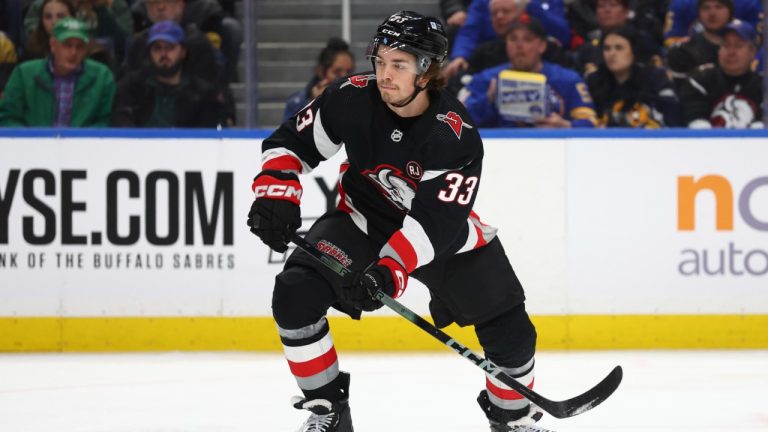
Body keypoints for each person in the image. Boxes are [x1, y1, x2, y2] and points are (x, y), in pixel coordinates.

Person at [247, 10, 544, 432]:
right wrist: (276, 194)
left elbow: (435, 222)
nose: (385, 74)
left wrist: (389, 271)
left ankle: (513, 421)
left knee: (512, 333)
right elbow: (289, 143)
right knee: (294, 294)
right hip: (362, 220)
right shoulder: (350, 97)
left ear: (427, 71)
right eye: (381, 61)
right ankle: (327, 411)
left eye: (399, 64)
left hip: (440, 237)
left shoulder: (454, 134)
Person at [462, 15, 597, 128]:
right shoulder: (486, 80)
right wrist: (488, 99)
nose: (519, 46)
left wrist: (565, 126)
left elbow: (591, 122)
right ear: (506, 44)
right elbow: (460, 122)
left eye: (527, 39)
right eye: (513, 39)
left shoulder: (568, 80)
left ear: (542, 46)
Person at [0, 17, 115, 127]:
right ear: (53, 45)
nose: (73, 52)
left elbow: (105, 121)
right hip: (33, 145)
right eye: (67, 45)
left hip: (83, 146)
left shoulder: (102, 77)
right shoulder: (24, 74)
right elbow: (8, 117)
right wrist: (31, 141)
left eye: (79, 46)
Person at [112, 20, 224, 127]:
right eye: (157, 48)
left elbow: (205, 138)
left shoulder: (203, 94)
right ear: (149, 53)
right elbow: (122, 126)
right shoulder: (131, 86)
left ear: (183, 52)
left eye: (170, 47)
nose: (163, 54)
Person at [442, 0, 570, 80]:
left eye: (506, 11)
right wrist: (461, 55)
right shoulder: (481, 3)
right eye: (495, 12)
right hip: (491, 55)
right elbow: (469, 30)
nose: (499, 16)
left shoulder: (546, 47)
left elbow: (563, 35)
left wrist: (532, 6)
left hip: (539, 58)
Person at [586, 26, 680, 127]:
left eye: (619, 48)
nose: (611, 54)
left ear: (634, 51)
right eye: (607, 48)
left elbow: (670, 118)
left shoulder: (655, 79)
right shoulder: (594, 80)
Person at [678, 20, 763, 128]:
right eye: (726, 45)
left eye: (738, 46)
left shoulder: (762, 86)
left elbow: (762, 129)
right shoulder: (700, 80)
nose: (731, 52)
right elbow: (696, 123)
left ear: (752, 52)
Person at [283, 37, 354, 122]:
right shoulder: (297, 103)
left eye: (349, 71)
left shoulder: (359, 99)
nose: (344, 77)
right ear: (321, 71)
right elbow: (290, 133)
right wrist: (314, 104)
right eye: (337, 72)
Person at [666, 0, 734, 88]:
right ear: (698, 14)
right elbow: (681, 94)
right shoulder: (682, 52)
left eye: (719, 7)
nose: (712, 13)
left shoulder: (745, 49)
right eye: (706, 8)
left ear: (730, 12)